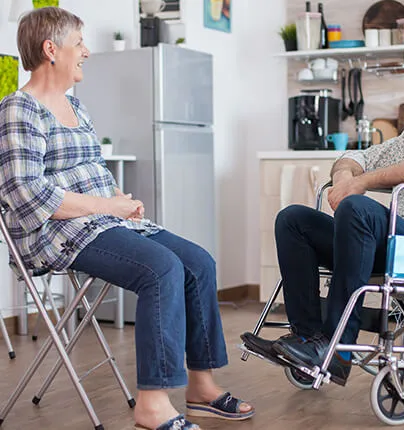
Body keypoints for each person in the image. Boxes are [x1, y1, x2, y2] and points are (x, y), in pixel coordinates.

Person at [0, 7, 254, 430]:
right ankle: (152, 406)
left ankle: (201, 387)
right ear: (51, 49)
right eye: (79, 42)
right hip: (58, 234)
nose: (86, 51)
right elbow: (26, 197)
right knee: (160, 269)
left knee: (199, 263)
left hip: (103, 222)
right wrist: (107, 207)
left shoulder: (76, 108)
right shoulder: (18, 110)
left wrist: (119, 199)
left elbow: (95, 171)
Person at [242, 39, 404, 387]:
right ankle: (307, 340)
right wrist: (346, 177)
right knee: (293, 220)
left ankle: (338, 350)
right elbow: (358, 156)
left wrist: (362, 184)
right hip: (399, 244)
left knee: (359, 209)